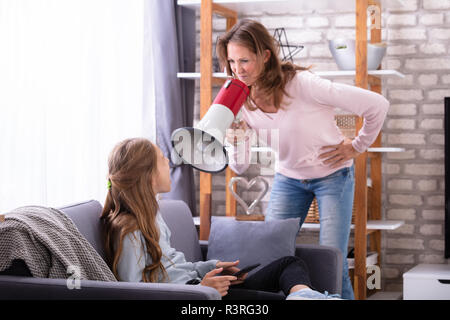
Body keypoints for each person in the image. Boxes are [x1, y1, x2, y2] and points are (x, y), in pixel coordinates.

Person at [218, 19, 389, 300]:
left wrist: (357, 146)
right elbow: (239, 166)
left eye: (244, 60)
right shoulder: (239, 95)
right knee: (270, 257)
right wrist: (235, 141)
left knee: (332, 262)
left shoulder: (302, 85)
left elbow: (377, 105)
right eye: (232, 61)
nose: (238, 69)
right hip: (288, 178)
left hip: (334, 176)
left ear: (265, 55)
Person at [100, 137, 341, 299]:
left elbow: (174, 267)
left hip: (201, 286)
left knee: (289, 264)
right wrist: (202, 290)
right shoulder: (128, 231)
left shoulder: (152, 215)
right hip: (196, 297)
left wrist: (212, 267)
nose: (168, 162)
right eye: (161, 158)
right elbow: (135, 292)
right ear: (147, 175)